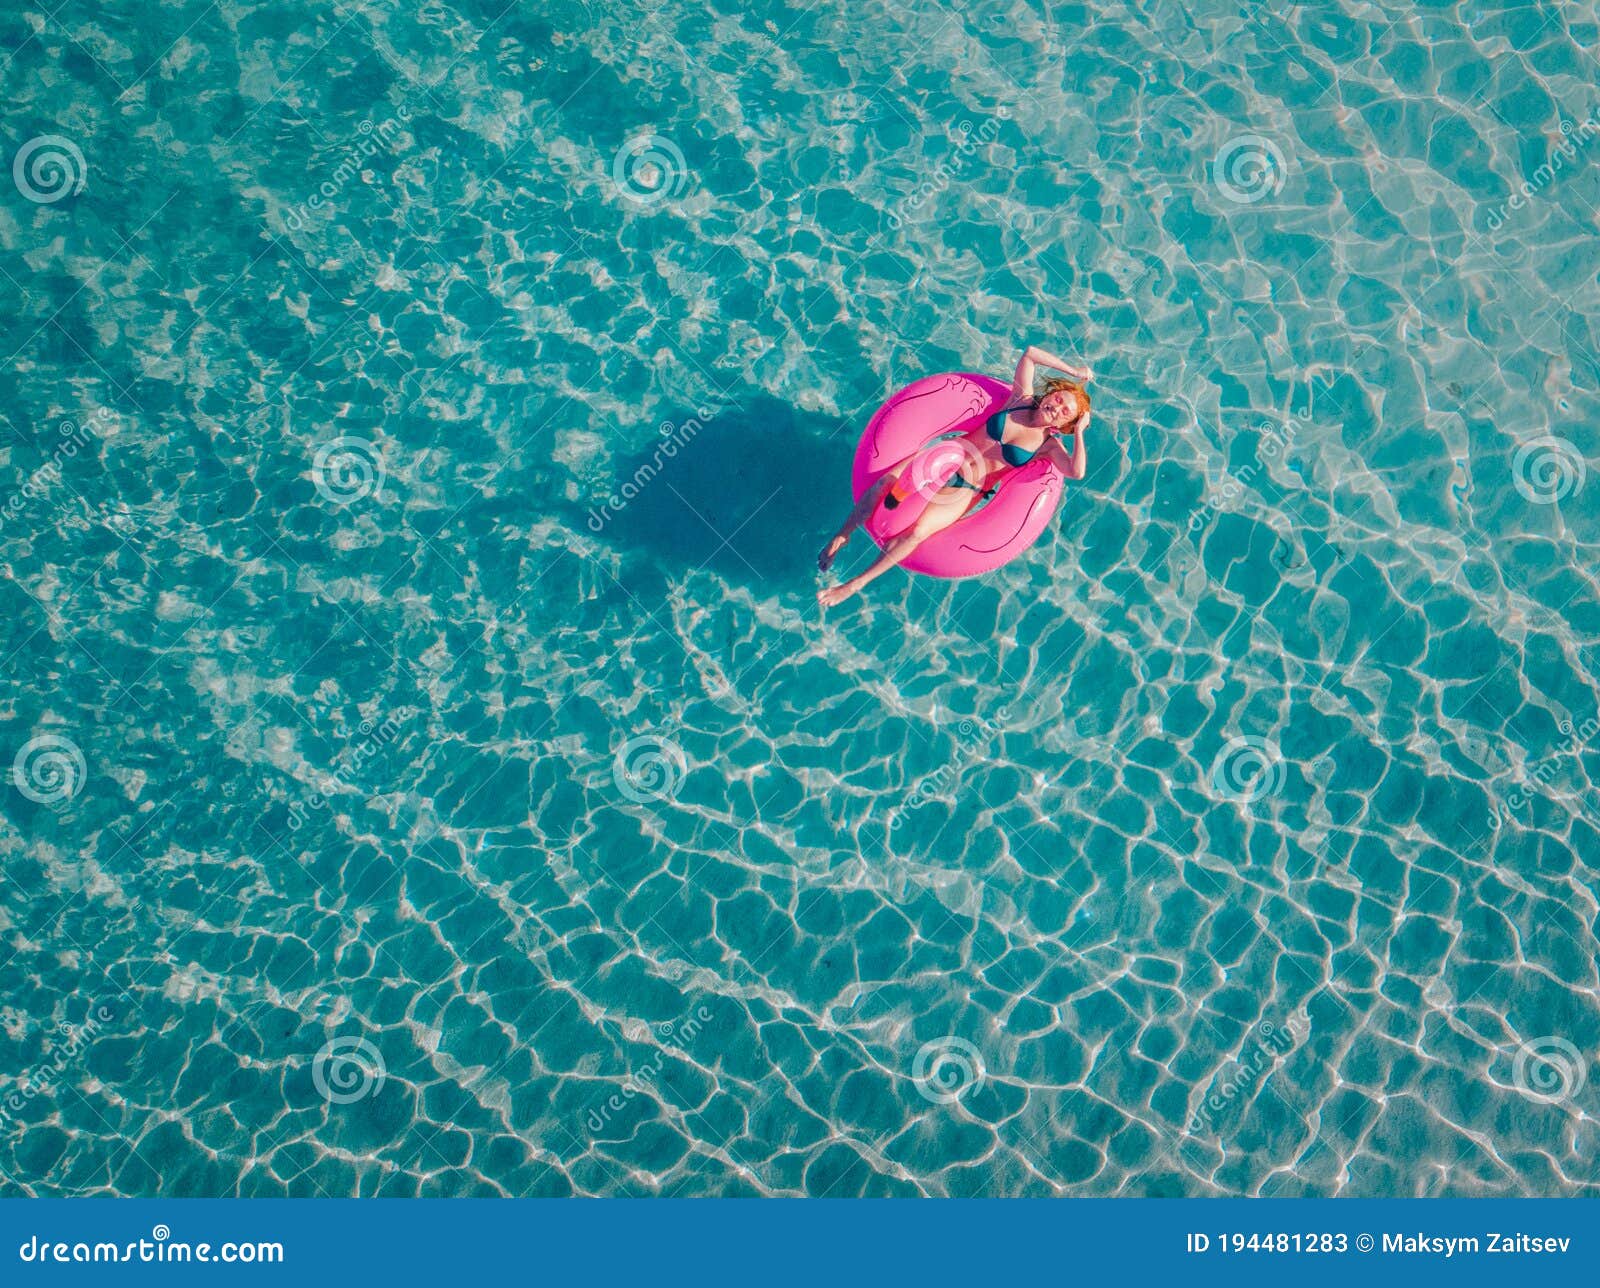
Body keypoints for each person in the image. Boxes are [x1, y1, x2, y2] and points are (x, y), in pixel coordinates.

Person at [816, 345, 1091, 608]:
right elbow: (1030, 354)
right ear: (1050, 394)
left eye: (1065, 411)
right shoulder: (1020, 400)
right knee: (885, 484)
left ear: (1063, 424)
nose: (1057, 407)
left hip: (968, 485)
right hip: (949, 453)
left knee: (918, 532)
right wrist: (1074, 371)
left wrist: (1079, 433)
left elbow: (1076, 472)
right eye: (1058, 398)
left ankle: (855, 584)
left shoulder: (1048, 446)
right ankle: (843, 535)